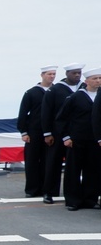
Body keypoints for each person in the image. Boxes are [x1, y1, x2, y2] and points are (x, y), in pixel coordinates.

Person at [54, 66, 101, 211]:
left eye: (100, 78)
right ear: (86, 81)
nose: (98, 81)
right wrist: (66, 137)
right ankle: (73, 200)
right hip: (77, 139)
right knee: (73, 170)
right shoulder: (76, 97)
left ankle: (90, 199)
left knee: (93, 170)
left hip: (95, 139)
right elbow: (61, 118)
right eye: (95, 78)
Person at [41, 63, 84, 204]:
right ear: (67, 74)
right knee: (53, 163)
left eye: (79, 73)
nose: (77, 75)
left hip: (77, 133)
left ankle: (75, 193)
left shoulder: (83, 88)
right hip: (57, 132)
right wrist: (47, 133)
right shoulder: (55, 90)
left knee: (75, 165)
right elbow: (46, 112)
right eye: (74, 73)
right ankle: (49, 192)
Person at [17, 65, 56, 198]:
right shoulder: (31, 93)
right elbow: (23, 113)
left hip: (52, 132)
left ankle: (48, 189)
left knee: (49, 161)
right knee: (32, 161)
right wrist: (24, 132)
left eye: (53, 74)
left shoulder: (57, 91)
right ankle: (32, 189)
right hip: (34, 132)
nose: (51, 76)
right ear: (42, 75)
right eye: (49, 74)